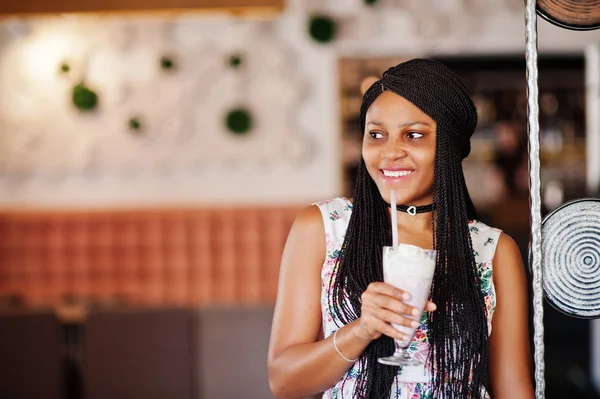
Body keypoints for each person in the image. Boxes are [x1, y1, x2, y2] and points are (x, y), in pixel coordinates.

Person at [267, 58, 534, 399]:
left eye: (414, 135)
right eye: (376, 134)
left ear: (449, 147)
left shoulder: (493, 250)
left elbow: (512, 389)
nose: (391, 151)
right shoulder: (323, 228)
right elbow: (284, 382)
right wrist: (361, 330)